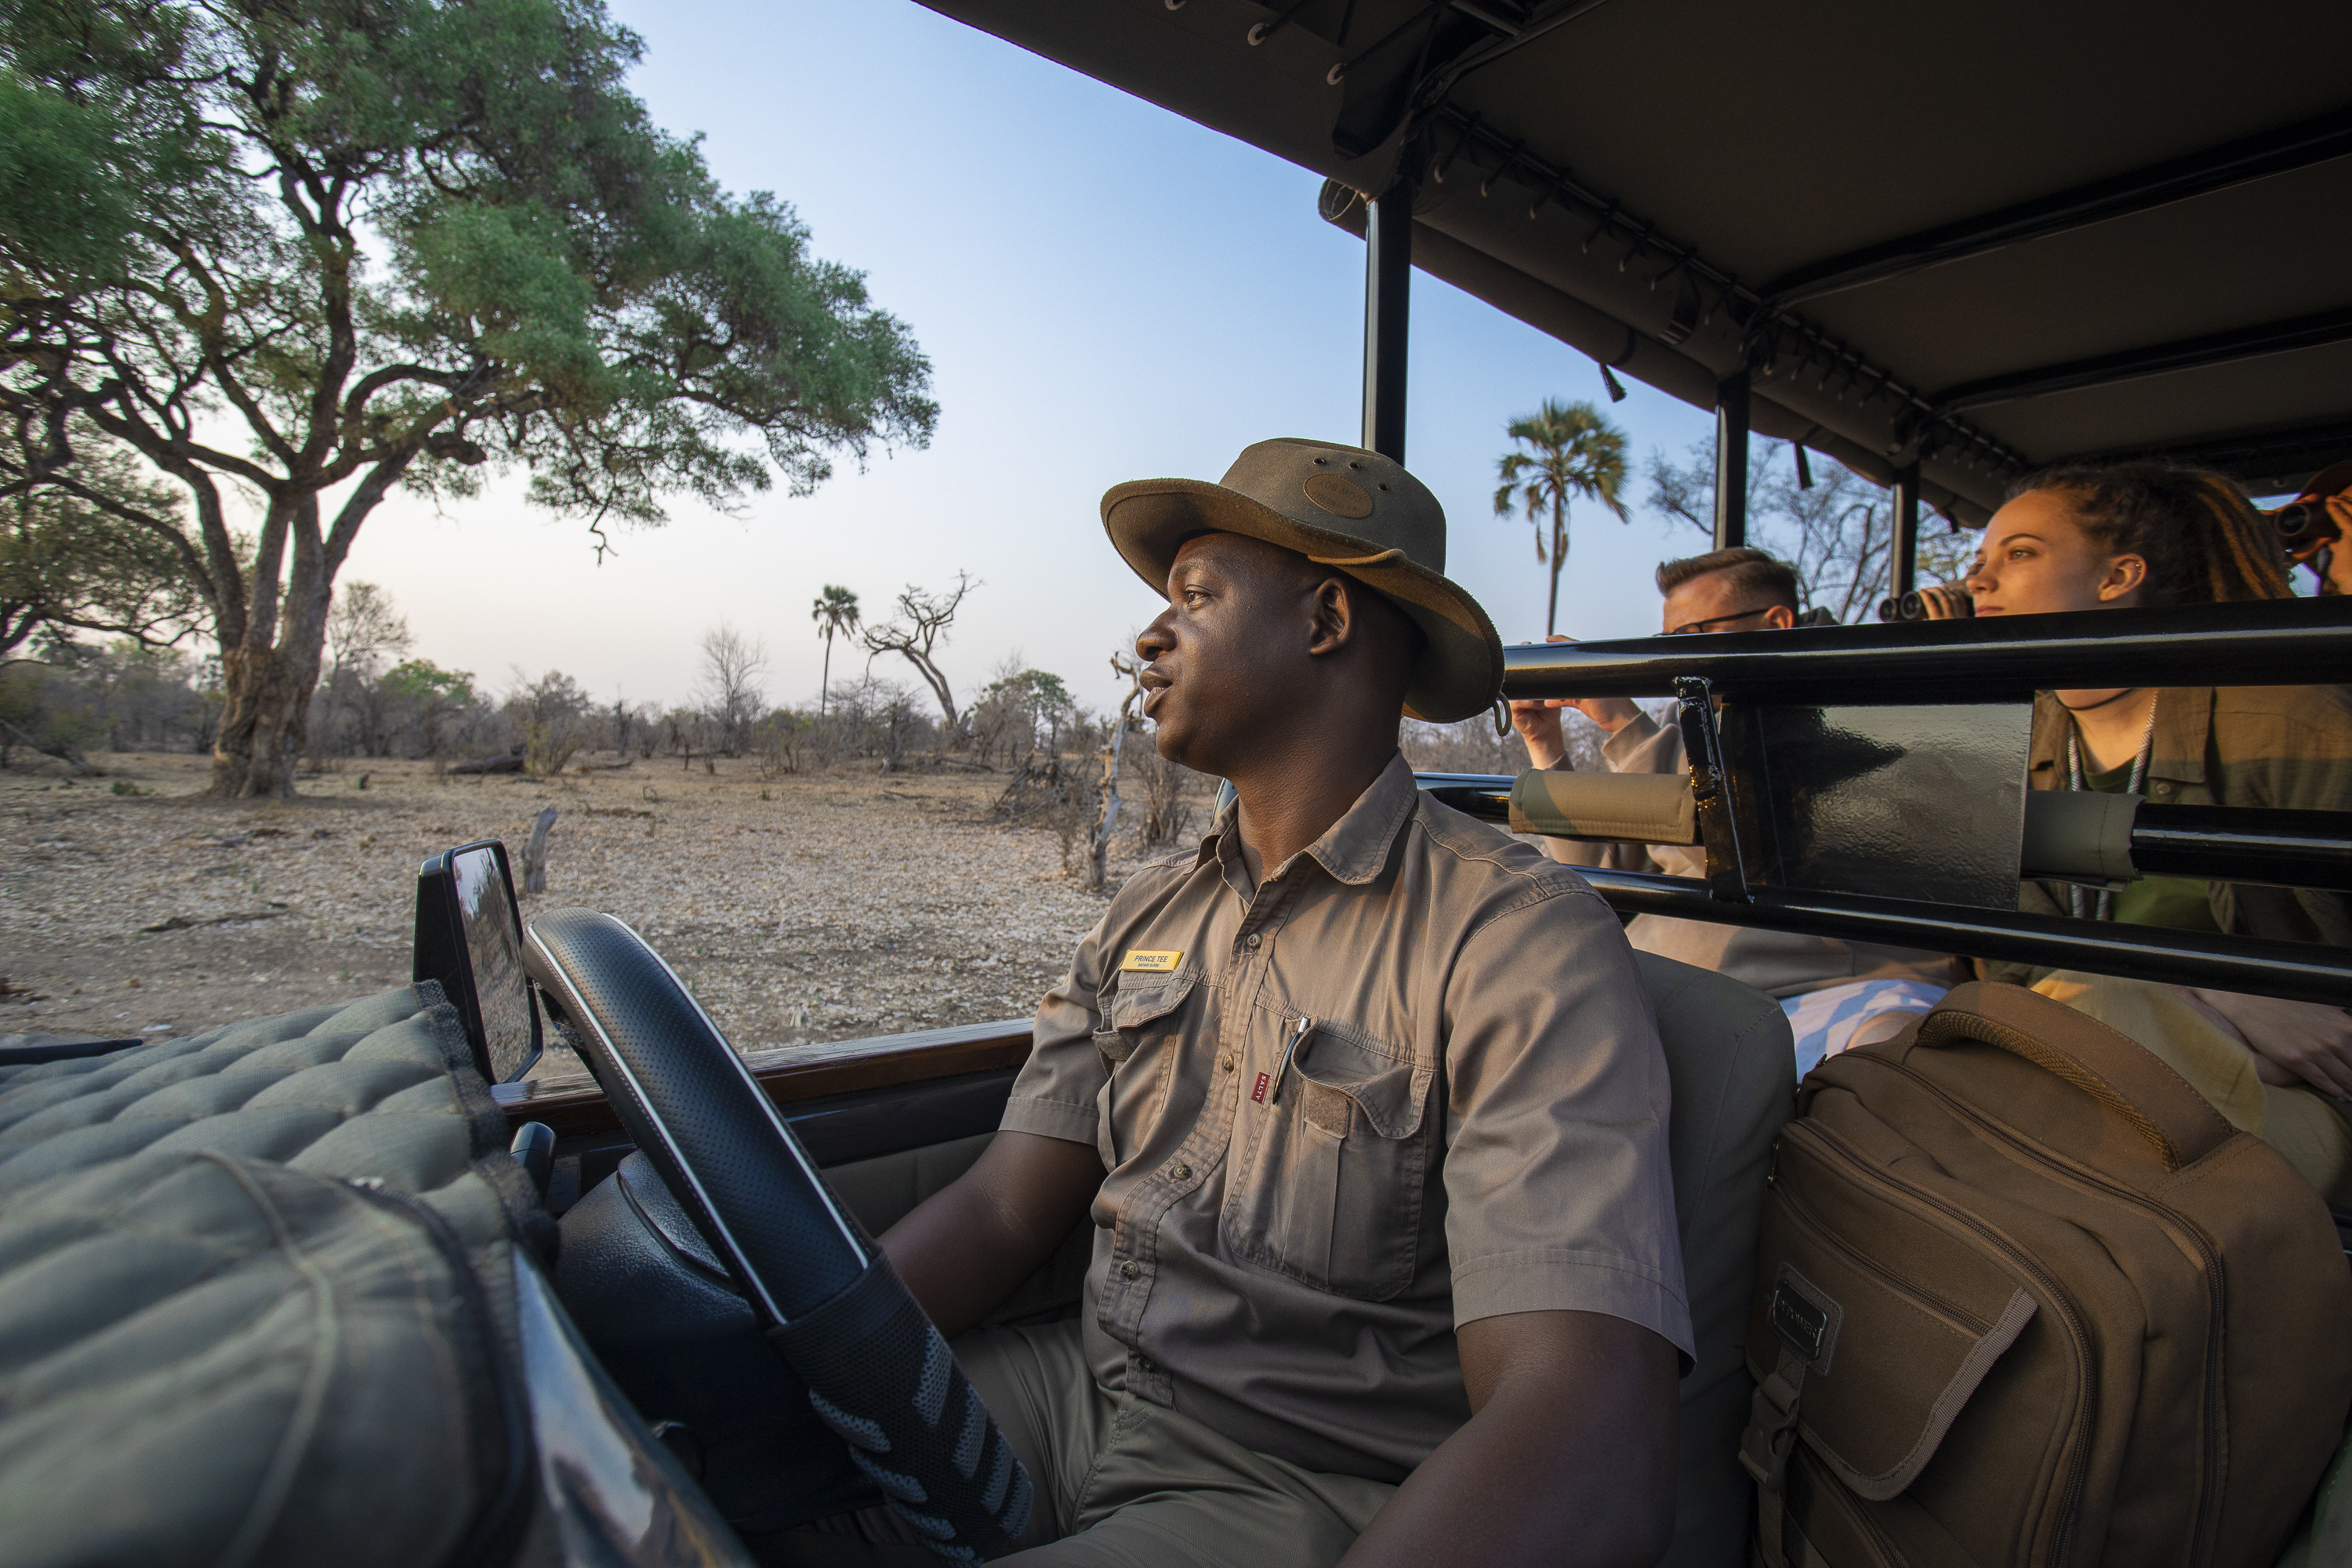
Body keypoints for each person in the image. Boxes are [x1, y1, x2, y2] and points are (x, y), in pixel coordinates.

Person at [783, 438, 1690, 1568]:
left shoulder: (1511, 938)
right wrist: (805, 1349)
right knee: (723, 1475)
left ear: (1325, 620)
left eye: (1196, 597)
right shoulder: (1148, 909)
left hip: (1288, 1478)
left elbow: (1584, 1433)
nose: (1149, 636)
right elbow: (1005, 1209)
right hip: (1082, 1390)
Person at [1951, 460, 2352, 1199]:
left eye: (2020, 553)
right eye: (1981, 558)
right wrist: (2215, 997)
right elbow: (2013, 976)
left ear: (2118, 576)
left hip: (2300, 1094)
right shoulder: (2004, 743)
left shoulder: (2289, 724)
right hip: (2098, 1056)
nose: (1979, 579)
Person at [1512, 546, 1963, 1077]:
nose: (1673, 656)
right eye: (1666, 639)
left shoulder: (1851, 712)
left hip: (1823, 991)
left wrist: (1626, 726)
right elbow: (1603, 877)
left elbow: (1738, 847)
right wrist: (1545, 745)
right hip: (1670, 991)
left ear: (1776, 623)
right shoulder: (1694, 725)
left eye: (1692, 634)